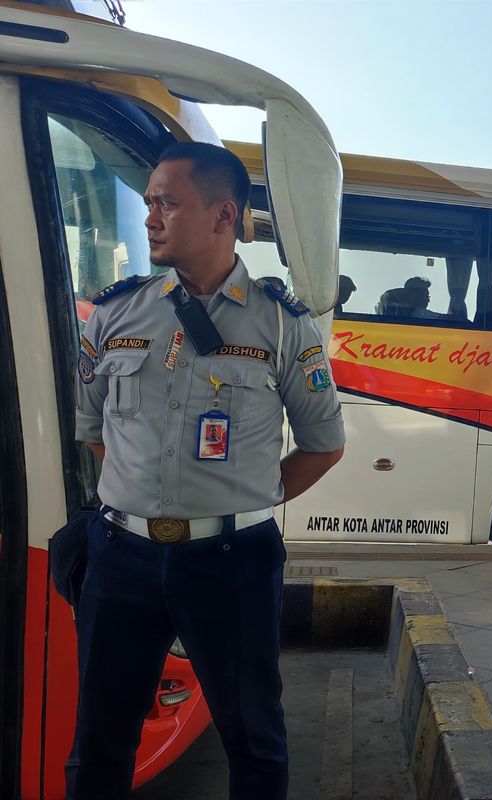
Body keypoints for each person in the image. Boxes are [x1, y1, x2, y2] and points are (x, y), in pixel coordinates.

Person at [70, 142, 346, 798]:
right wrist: (141, 500)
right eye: (149, 203)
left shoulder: (283, 324)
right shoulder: (115, 314)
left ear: (223, 216)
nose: (150, 218)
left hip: (232, 561)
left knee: (253, 740)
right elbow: (93, 430)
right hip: (121, 559)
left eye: (167, 203)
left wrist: (242, 499)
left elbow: (323, 444)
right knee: (99, 742)